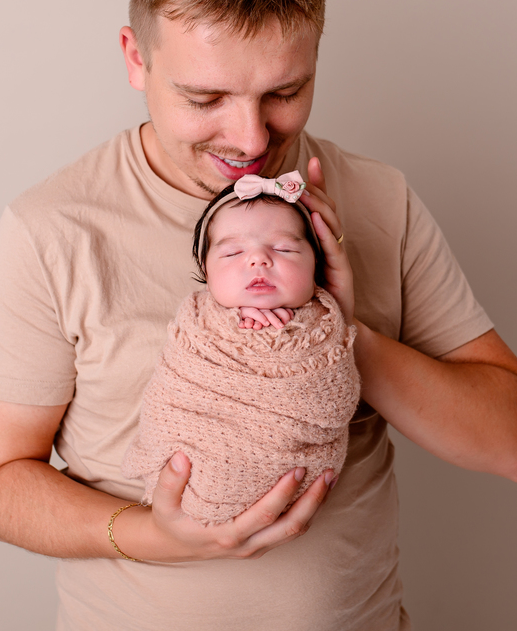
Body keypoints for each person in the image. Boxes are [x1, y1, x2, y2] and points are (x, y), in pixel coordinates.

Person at [0, 0, 517, 630]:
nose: (252, 138)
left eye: (285, 92)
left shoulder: (379, 200)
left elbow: (515, 447)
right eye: (205, 99)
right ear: (136, 58)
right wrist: (151, 537)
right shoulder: (54, 230)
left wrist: (335, 330)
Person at [121, 173, 360, 525]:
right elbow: (173, 392)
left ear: (317, 266)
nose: (258, 260)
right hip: (193, 465)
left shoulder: (324, 325)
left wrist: (327, 317)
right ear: (206, 271)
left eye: (284, 249)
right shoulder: (198, 322)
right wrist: (230, 323)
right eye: (233, 252)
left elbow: (334, 398)